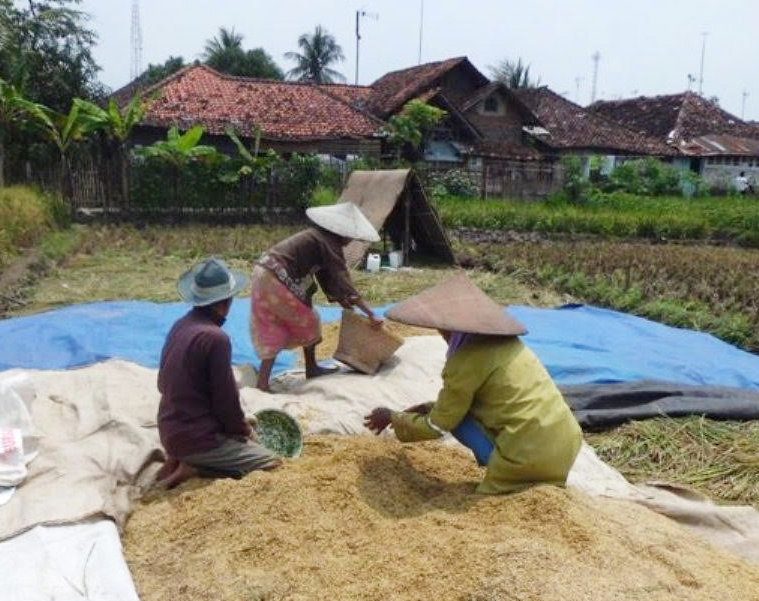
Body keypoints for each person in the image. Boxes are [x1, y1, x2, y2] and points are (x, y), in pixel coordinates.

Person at [363, 274, 583, 494]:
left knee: (457, 420)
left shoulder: (464, 362)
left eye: (442, 329)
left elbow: (439, 425)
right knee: (463, 412)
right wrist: (427, 408)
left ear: (453, 329)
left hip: (527, 457)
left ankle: (513, 475)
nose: (442, 335)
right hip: (565, 446)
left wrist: (393, 417)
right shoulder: (511, 346)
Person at [157, 258, 280, 489]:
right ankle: (195, 468)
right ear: (226, 302)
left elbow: (163, 383)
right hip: (196, 438)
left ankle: (181, 456)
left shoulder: (181, 325)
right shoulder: (215, 338)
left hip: (169, 427)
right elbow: (226, 402)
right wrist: (243, 431)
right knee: (271, 462)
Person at [251, 201, 383, 392]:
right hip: (277, 278)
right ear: (343, 232)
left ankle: (268, 381)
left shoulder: (317, 237)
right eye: (351, 237)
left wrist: (344, 301)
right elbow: (341, 278)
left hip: (263, 272)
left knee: (275, 324)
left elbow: (326, 277)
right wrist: (370, 313)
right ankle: (304, 370)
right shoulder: (327, 242)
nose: (350, 241)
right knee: (308, 320)